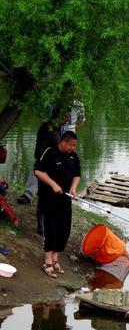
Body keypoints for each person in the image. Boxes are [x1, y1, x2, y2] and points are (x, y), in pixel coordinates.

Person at [34, 131, 81, 279]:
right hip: (49, 199)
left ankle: (55, 259)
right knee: (51, 228)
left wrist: (73, 188)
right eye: (71, 145)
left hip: (65, 199)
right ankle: (47, 261)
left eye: (74, 146)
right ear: (64, 142)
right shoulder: (50, 153)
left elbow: (77, 175)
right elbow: (38, 171)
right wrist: (53, 184)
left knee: (64, 229)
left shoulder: (73, 156)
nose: (73, 148)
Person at [17, 109, 69, 206]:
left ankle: (35, 196)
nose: (67, 119)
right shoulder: (50, 127)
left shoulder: (57, 127)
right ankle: (29, 196)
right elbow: (58, 144)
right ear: (59, 116)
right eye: (65, 117)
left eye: (68, 117)